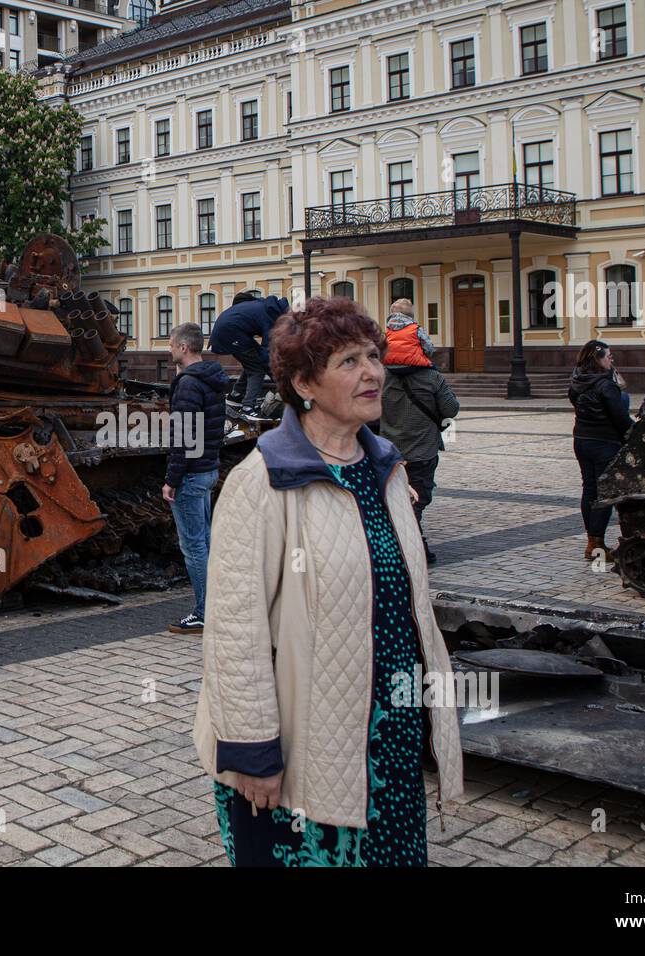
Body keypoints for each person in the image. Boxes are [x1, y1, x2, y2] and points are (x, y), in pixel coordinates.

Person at [195, 295, 463, 867]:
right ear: (304, 385)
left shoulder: (385, 469)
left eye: (373, 355)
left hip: (388, 744)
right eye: (348, 362)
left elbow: (409, 607)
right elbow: (233, 631)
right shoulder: (263, 480)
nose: (372, 372)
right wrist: (253, 752)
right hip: (301, 756)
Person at [161, 323, 229, 635]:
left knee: (193, 546)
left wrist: (171, 479)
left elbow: (183, 437)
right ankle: (218, 605)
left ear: (184, 348)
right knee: (206, 539)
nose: (169, 349)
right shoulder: (209, 378)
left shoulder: (189, 385)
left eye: (172, 344)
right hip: (208, 468)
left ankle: (203, 612)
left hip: (190, 475)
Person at [380, 340, 460, 566]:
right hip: (422, 450)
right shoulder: (432, 378)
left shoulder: (382, 376)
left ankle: (408, 545)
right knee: (417, 499)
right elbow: (451, 409)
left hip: (389, 451)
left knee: (394, 498)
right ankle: (410, 549)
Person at [568, 340, 633, 561]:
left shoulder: (578, 382)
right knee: (603, 493)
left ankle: (592, 542)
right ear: (598, 359)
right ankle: (597, 544)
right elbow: (620, 418)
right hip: (604, 443)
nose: (611, 359)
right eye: (608, 356)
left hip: (582, 440)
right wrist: (634, 433)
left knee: (589, 489)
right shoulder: (605, 385)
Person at [208, 292, 288, 415]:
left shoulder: (267, 307)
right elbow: (267, 352)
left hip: (228, 330)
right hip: (229, 333)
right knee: (257, 369)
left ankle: (236, 395)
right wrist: (279, 382)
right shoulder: (271, 317)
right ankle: (248, 406)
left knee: (252, 361)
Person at [381, 298, 436, 368]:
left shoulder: (388, 330)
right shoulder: (416, 328)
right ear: (411, 314)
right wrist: (426, 355)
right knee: (434, 371)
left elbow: (382, 347)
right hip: (412, 364)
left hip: (390, 364)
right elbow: (429, 347)